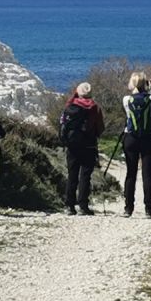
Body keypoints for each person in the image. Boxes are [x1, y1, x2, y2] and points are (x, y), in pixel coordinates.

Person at [59, 81, 105, 215]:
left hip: (72, 145)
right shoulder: (94, 107)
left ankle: (69, 205)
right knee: (85, 176)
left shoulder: (70, 105)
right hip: (89, 145)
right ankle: (83, 206)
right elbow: (100, 128)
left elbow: (62, 123)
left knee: (72, 175)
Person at [121, 73, 151, 218]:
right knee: (148, 174)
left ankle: (128, 208)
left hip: (130, 137)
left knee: (130, 173)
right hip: (149, 138)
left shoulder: (126, 99)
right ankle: (149, 209)